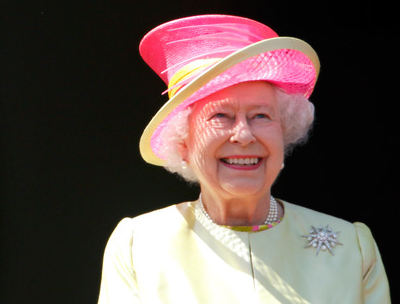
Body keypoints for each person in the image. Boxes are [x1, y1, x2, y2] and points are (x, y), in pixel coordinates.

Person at [98, 15, 390, 303]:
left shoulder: (351, 248)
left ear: (283, 134)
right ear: (182, 143)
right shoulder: (140, 244)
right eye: (221, 116)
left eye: (260, 116)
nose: (244, 135)